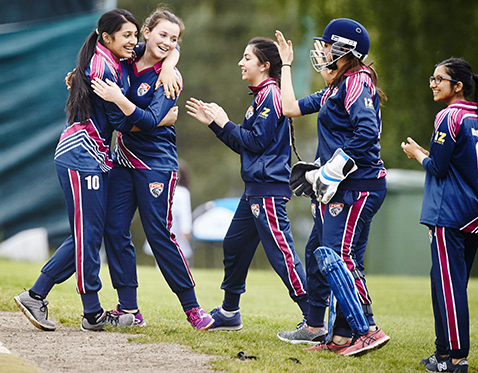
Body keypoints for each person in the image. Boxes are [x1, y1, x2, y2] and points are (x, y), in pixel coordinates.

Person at [13, 9, 177, 333]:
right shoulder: (104, 67)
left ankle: (37, 294)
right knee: (88, 234)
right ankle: (91, 311)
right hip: (81, 156)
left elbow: (164, 44)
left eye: (134, 35)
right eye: (126, 35)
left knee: (89, 232)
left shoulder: (113, 58)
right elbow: (121, 122)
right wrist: (158, 118)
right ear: (107, 38)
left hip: (94, 156)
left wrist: (170, 61)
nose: (133, 41)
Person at [91, 9, 214, 330]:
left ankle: (193, 309)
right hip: (123, 160)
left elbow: (147, 122)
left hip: (156, 164)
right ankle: (128, 309)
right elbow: (100, 56)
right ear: (146, 31)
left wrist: (121, 99)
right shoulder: (126, 59)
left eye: (174, 39)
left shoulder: (170, 77)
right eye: (162, 34)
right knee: (114, 230)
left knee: (159, 234)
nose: (167, 42)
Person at [274, 18, 390, 355]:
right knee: (325, 255)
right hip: (344, 187)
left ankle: (366, 328)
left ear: (343, 50)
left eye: (327, 45)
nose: (321, 51)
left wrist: (332, 170)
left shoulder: (357, 82)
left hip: (358, 185)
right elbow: (289, 108)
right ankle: (337, 336)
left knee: (341, 258)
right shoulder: (334, 89)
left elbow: (366, 132)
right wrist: (285, 65)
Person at [185, 37, 310, 332]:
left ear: (264, 66)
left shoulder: (271, 96)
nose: (241, 63)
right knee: (234, 245)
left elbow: (255, 141)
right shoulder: (260, 96)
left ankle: (314, 318)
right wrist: (216, 125)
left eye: (247, 58)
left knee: (282, 254)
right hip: (254, 189)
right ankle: (230, 312)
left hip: (267, 190)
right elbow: (247, 146)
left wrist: (225, 122)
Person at [401, 58, 477, 373]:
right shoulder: (474, 115)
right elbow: (458, 163)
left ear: (457, 85)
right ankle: (442, 353)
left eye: (439, 79)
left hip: (451, 214)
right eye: (432, 78)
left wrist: (418, 153)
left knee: (449, 286)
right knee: (443, 281)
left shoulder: (449, 116)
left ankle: (457, 359)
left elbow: (438, 167)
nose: (433, 84)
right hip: (472, 214)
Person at [143, 159, 194, 267]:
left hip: (176, 225)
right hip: (163, 222)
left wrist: (186, 229)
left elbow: (185, 212)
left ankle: (182, 269)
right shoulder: (160, 188)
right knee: (160, 248)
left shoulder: (182, 192)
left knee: (179, 250)